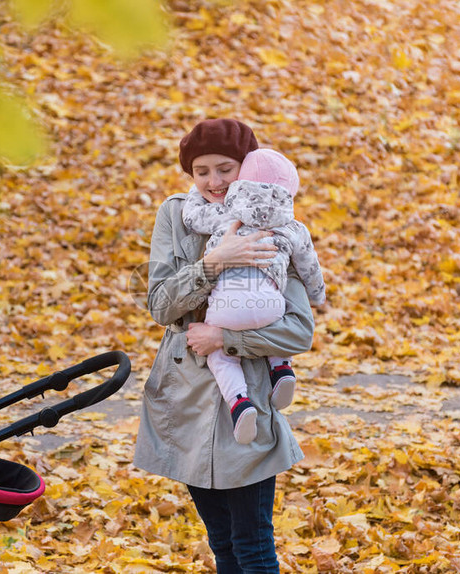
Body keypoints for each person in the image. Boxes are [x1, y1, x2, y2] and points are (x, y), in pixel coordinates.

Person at [133, 118, 315, 574]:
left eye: (225, 169)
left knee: (252, 547)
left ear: (247, 168)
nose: (214, 182)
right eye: (202, 171)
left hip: (248, 401)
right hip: (187, 401)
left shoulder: (275, 221)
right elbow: (159, 304)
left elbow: (298, 330)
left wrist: (226, 338)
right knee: (221, 543)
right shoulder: (176, 215)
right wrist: (213, 263)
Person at [181, 148, 325, 444]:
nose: (214, 181)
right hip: (272, 301)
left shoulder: (229, 212)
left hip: (228, 302)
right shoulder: (292, 224)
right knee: (269, 324)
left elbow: (194, 217)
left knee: (220, 356)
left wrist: (192, 194)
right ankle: (281, 368)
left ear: (241, 178)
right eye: (202, 172)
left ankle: (239, 403)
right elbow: (310, 265)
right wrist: (317, 295)